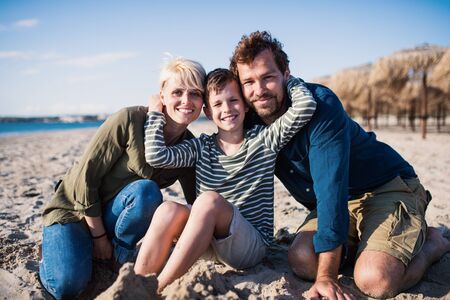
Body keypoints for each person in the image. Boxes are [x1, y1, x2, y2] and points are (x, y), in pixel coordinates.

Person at [229, 30, 450, 299]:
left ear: (286, 73)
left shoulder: (320, 105)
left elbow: (331, 188)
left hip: (384, 187)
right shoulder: (248, 119)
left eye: (268, 77)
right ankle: (371, 244)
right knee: (301, 259)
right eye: (249, 82)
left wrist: (327, 278)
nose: (259, 90)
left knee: (375, 280)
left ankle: (432, 244)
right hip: (336, 202)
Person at [134, 68, 316, 292]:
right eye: (218, 104)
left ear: (246, 104)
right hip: (207, 242)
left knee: (208, 201)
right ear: (208, 112)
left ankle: (158, 288)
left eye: (233, 100)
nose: (227, 109)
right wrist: (155, 113)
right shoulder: (201, 147)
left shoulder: (265, 139)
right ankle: (137, 283)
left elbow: (306, 106)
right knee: (168, 209)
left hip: (248, 247)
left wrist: (288, 80)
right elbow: (156, 156)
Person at [38, 57, 206, 299]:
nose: (186, 101)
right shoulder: (128, 120)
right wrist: (98, 238)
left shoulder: (189, 146)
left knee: (146, 194)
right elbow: (85, 180)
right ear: (162, 95)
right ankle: (54, 252)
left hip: (114, 217)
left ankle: (117, 254)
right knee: (67, 286)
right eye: (177, 92)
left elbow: (196, 202)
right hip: (73, 212)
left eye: (195, 93)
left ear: (203, 101)